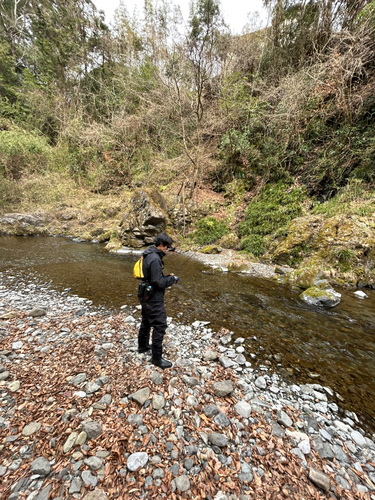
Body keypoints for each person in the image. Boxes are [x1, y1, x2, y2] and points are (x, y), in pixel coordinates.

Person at [138, 232, 178, 369]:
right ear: (160, 245)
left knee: (146, 321)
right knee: (159, 325)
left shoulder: (148, 254)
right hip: (153, 297)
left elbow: (153, 277)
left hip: (145, 294)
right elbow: (158, 282)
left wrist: (166, 277)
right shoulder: (155, 258)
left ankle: (142, 346)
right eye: (166, 246)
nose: (167, 249)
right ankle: (156, 358)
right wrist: (172, 279)